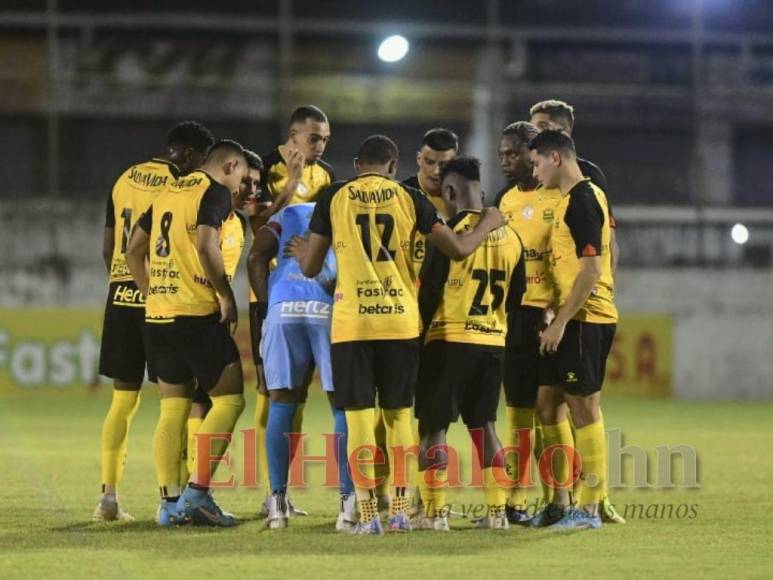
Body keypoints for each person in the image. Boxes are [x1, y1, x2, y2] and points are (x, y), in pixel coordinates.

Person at [287, 135, 506, 535]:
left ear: (357, 165)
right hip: (400, 323)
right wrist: (489, 223)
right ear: (393, 167)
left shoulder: (335, 195)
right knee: (399, 416)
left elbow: (311, 266)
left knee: (358, 420)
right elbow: (457, 249)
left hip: (352, 324)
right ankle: (402, 510)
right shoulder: (410, 198)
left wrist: (303, 254)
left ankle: (368, 514)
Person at [94, 121, 214, 521]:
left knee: (122, 401)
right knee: (179, 402)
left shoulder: (123, 178)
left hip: (120, 293)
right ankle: (179, 497)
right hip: (165, 295)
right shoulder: (181, 185)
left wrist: (122, 285)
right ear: (191, 155)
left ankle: (108, 498)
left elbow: (112, 246)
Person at [126, 139, 248, 527]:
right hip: (196, 314)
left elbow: (132, 250)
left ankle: (168, 506)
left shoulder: (166, 191)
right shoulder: (212, 192)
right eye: (241, 176)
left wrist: (154, 296)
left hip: (159, 317)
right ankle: (197, 495)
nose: (240, 187)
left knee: (172, 409)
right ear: (230, 166)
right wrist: (225, 294)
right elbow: (206, 244)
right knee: (230, 401)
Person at [415, 156, 525, 531]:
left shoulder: (449, 233)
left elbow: (429, 290)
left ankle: (434, 513)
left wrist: (417, 336)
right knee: (485, 426)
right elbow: (516, 295)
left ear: (448, 191)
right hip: (493, 340)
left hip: (449, 337)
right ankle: (497, 513)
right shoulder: (512, 237)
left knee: (434, 427)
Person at [529, 100, 625, 523]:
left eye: (537, 164)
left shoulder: (582, 200)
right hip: (574, 315)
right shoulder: (582, 195)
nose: (534, 174)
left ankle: (591, 504)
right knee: (549, 400)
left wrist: (563, 320)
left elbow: (592, 268)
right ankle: (565, 501)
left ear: (554, 157)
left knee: (583, 407)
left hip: (585, 319)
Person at [248, 201, 356, 531]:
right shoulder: (343, 210)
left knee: (282, 403)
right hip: (328, 307)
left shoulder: (285, 214)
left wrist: (271, 302)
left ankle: (277, 505)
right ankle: (347, 506)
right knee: (342, 406)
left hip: (284, 310)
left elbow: (254, 258)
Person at [251, 105, 335, 516]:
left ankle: (282, 492)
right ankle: (270, 490)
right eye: (314, 137)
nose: (321, 146)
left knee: (297, 399)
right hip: (269, 296)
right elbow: (258, 230)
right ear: (293, 136)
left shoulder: (328, 177)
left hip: (315, 295)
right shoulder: (265, 167)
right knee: (271, 396)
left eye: (325, 138)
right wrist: (292, 184)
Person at [181, 149, 263, 484]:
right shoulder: (205, 209)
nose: (250, 190)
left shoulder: (239, 224)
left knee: (198, 401)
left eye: (256, 185)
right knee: (209, 400)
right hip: (196, 313)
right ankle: (190, 489)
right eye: (247, 182)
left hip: (213, 315)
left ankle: (186, 489)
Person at [495, 121, 562, 524]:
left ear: (531, 155)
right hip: (513, 316)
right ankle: (515, 502)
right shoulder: (503, 201)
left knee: (550, 413)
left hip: (548, 315)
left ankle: (559, 500)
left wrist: (557, 308)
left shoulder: (557, 197)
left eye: (513, 153)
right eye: (501, 154)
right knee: (519, 413)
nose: (505, 160)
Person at [529, 99, 619, 274]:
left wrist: (605, 289)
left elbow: (609, 240)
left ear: (565, 132)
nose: (534, 134)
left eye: (542, 126)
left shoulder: (590, 175)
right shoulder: (528, 176)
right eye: (531, 128)